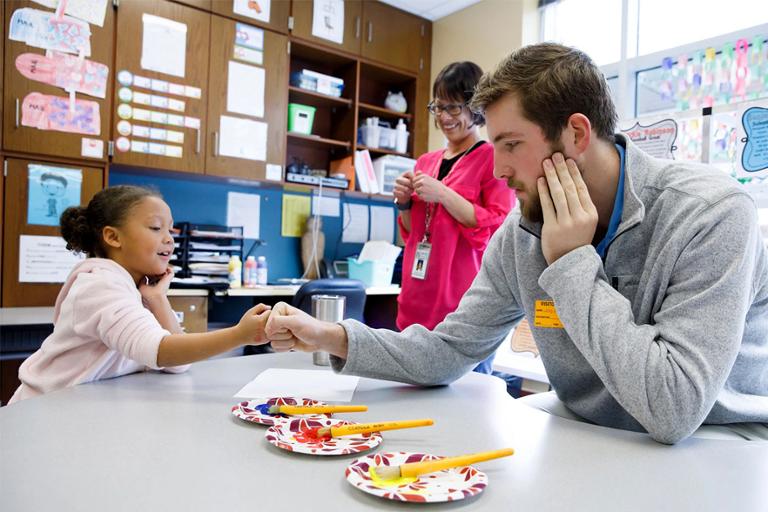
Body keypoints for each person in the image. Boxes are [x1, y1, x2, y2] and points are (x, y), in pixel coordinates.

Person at [265, 43, 768, 444]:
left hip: (715, 439)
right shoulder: (521, 231)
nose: (499, 169)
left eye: (510, 145)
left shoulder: (712, 214)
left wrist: (571, 262)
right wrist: (331, 336)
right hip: (587, 432)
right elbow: (449, 349)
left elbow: (674, 407)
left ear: (575, 133)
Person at [10, 185, 272, 403]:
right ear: (113, 237)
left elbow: (176, 365)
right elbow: (160, 351)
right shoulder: (100, 286)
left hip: (79, 407)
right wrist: (241, 334)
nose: (169, 239)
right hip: (43, 410)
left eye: (171, 229)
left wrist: (157, 298)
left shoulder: (132, 286)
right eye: (156, 228)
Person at [392, 61, 515, 373]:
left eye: (453, 108)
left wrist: (444, 194)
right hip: (416, 299)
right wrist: (405, 204)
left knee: (465, 405)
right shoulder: (426, 161)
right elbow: (413, 233)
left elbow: (495, 229)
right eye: (438, 107)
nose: (443, 117)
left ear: (474, 108)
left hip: (462, 305)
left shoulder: (491, 158)